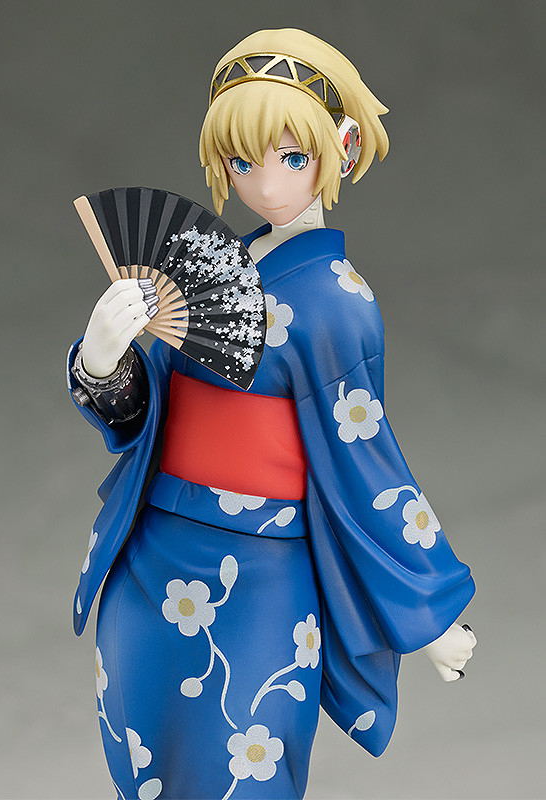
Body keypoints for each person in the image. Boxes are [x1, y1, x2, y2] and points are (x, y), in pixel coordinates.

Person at [67, 28, 477, 800]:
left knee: (244, 770)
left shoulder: (339, 301)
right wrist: (102, 357)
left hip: (258, 575)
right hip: (151, 557)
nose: (264, 181)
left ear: (342, 147)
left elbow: (367, 461)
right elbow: (143, 416)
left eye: (291, 157)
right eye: (241, 161)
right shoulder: (208, 268)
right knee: (143, 766)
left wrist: (428, 615)